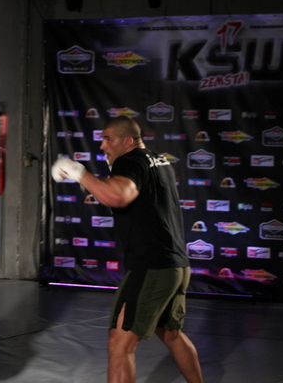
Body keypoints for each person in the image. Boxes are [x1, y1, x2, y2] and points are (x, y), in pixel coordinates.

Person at [51, 115, 203, 383]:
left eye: (108, 139)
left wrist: (78, 172)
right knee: (171, 334)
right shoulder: (158, 160)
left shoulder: (130, 160)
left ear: (128, 141)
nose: (102, 146)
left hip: (152, 266)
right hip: (176, 265)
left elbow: (118, 196)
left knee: (119, 343)